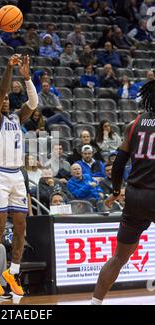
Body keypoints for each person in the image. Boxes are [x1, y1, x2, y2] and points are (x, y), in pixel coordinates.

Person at [92, 80, 155, 305]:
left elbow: (118, 165)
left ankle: (95, 303)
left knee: (119, 257)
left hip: (135, 196)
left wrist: (116, 191)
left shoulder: (134, 123)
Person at [0, 54, 38, 296]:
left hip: (17, 175)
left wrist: (27, 78)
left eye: (6, 99)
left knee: (21, 226)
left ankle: (13, 272)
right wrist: (9, 69)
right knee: (0, 225)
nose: (4, 100)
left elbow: (34, 103)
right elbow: (3, 89)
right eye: (0, 99)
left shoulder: (16, 118)